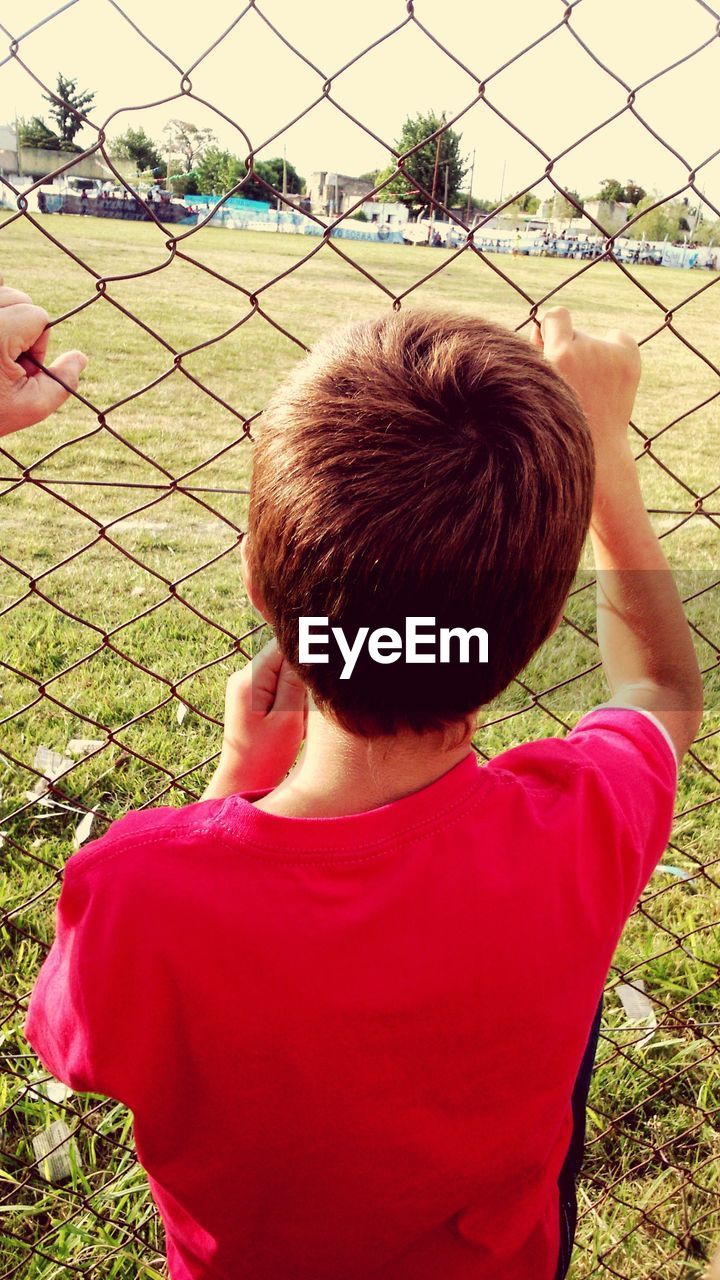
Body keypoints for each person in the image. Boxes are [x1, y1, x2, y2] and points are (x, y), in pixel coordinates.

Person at [12, 285, 702, 1280]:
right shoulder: (582, 816)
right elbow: (662, 687)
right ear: (544, 625)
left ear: (258, 579)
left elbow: (70, 1048)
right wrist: (601, 460)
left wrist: (223, 794)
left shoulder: (139, 887)